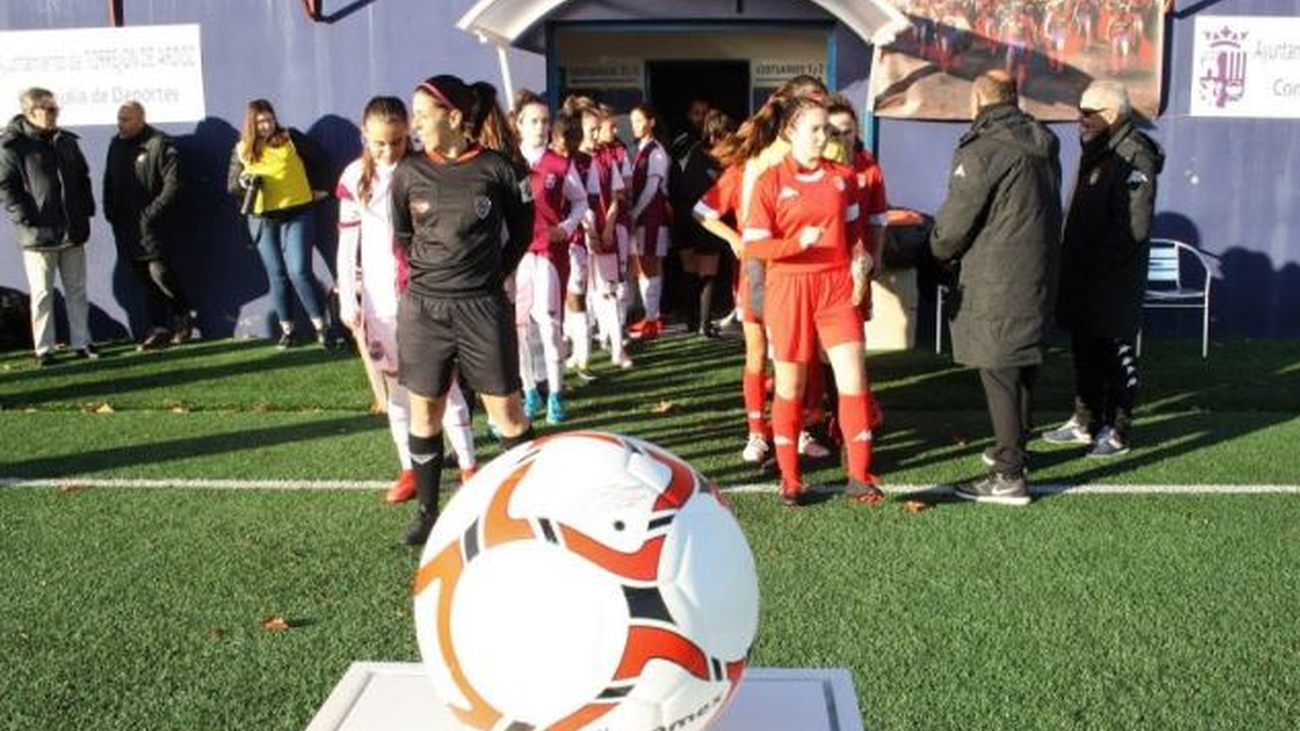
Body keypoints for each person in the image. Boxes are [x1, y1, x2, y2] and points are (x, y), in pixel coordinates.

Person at [391, 75, 534, 544]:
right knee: (425, 413)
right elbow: (404, 236)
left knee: (507, 415)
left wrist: (492, 276)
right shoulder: (408, 173)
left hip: (481, 308)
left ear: (453, 118)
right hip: (424, 310)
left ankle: (529, 509)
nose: (415, 124)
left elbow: (523, 230)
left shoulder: (500, 169)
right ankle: (430, 514)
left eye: (422, 114)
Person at [335, 96, 478, 505]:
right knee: (398, 391)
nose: (388, 151)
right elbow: (347, 245)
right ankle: (409, 468)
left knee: (442, 385)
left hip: (426, 298)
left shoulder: (426, 170)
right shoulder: (354, 177)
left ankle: (469, 466)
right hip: (380, 302)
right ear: (365, 135)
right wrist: (349, 299)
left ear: (408, 135)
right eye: (379, 143)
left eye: (396, 142)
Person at [929, 70, 1062, 507]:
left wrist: (933, 249)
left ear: (978, 102)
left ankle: (1009, 475)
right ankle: (1014, 453)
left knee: (1000, 371)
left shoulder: (985, 148)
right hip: (1036, 272)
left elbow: (954, 224)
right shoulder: (1043, 142)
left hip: (997, 276)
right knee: (1021, 368)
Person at [742, 94, 883, 506]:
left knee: (853, 380)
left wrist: (862, 263)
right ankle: (791, 479)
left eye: (828, 129)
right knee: (791, 385)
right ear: (790, 132)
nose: (824, 136)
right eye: (816, 129)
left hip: (837, 288)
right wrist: (793, 244)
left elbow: (857, 236)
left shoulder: (844, 177)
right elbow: (755, 246)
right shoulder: (770, 180)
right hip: (789, 290)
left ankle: (860, 475)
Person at [701, 75, 831, 465]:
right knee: (759, 353)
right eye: (815, 112)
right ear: (794, 114)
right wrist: (737, 240)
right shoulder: (760, 160)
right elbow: (705, 211)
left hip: (798, 271)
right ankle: (759, 433)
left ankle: (798, 428)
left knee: (798, 356)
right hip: (762, 270)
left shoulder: (816, 159)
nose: (823, 129)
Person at [1046, 80, 1163, 458]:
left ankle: (1117, 431)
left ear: (1111, 115)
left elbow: (1134, 228)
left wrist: (1097, 268)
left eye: (1088, 112)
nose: (1080, 119)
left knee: (1116, 357)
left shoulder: (1135, 154)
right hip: (1082, 278)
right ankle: (1085, 421)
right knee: (1084, 352)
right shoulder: (1094, 151)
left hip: (1114, 282)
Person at [0, 88, 96, 366]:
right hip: (38, 234)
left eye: (56, 109)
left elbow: (82, 177)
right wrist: (25, 216)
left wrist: (85, 212)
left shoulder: (66, 141)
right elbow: (6, 186)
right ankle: (45, 349)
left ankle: (82, 343)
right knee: (42, 294)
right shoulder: (13, 145)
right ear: (32, 112)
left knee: (77, 290)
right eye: (50, 110)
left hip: (72, 230)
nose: (55, 114)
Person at [228, 99, 333, 349]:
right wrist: (243, 182)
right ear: (251, 123)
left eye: (269, 119)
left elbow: (320, 159)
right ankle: (289, 331)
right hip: (263, 219)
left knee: (299, 271)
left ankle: (322, 328)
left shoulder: (291, 138)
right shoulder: (242, 149)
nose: (266, 125)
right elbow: (231, 185)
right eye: (260, 121)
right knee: (277, 275)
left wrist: (321, 189)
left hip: (298, 212)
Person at [512, 90, 589, 423]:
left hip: (548, 252)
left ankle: (556, 393)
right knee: (520, 325)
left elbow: (581, 201)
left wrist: (567, 225)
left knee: (548, 320)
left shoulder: (559, 164)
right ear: (519, 125)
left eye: (544, 121)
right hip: (515, 254)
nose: (540, 127)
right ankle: (529, 391)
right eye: (533, 121)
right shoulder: (507, 163)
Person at [103, 101, 194, 350]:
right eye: (119, 119)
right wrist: (110, 211)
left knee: (160, 273)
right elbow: (109, 181)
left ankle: (183, 315)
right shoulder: (116, 144)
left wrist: (149, 215)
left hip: (153, 227)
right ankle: (160, 328)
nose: (120, 124)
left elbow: (173, 186)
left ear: (141, 119)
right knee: (143, 277)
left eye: (126, 119)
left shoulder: (160, 143)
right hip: (125, 227)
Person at [676, 110, 735, 338]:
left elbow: (682, 185)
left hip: (684, 218)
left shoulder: (691, 153)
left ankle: (692, 321)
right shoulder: (721, 161)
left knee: (690, 271)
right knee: (706, 272)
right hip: (704, 220)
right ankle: (703, 324)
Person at [626, 104, 671, 340]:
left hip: (651, 217)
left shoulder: (656, 152)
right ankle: (651, 316)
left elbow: (653, 188)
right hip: (643, 215)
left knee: (650, 266)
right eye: (632, 121)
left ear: (651, 123)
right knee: (643, 267)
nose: (634, 126)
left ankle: (652, 319)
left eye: (639, 121)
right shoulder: (639, 149)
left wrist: (633, 214)